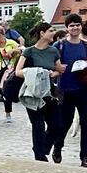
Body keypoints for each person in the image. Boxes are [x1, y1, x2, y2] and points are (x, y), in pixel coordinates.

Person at [50, 16, 87, 167]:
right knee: (65, 122)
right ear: (67, 28)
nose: (75, 28)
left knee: (86, 123)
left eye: (77, 25)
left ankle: (85, 156)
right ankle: (58, 147)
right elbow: (53, 65)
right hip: (65, 88)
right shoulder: (60, 45)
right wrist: (58, 69)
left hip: (83, 88)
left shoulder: (86, 45)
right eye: (72, 26)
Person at [12, 22, 61, 161]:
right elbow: (18, 71)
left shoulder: (53, 51)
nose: (53, 33)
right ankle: (39, 157)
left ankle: (42, 148)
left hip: (49, 93)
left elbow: (58, 69)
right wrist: (38, 72)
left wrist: (53, 74)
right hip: (32, 93)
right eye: (51, 31)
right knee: (38, 125)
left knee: (56, 125)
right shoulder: (29, 51)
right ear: (42, 33)